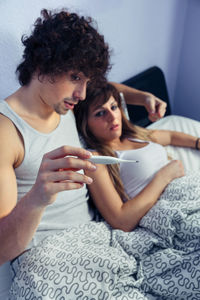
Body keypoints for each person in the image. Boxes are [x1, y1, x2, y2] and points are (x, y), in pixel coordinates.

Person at [0, 8, 167, 266]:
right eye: (75, 77)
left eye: (87, 81)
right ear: (43, 64)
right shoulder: (7, 132)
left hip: (96, 243)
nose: (82, 94)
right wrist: (36, 198)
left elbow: (107, 89)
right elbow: (1, 250)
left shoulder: (64, 101)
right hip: (50, 262)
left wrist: (141, 97)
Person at [74, 82, 200, 231]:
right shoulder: (96, 159)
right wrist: (165, 176)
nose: (112, 116)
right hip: (170, 214)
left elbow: (171, 136)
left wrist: (197, 142)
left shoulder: (136, 135)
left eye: (114, 107)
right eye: (100, 113)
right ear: (85, 124)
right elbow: (121, 221)